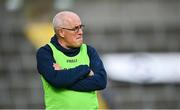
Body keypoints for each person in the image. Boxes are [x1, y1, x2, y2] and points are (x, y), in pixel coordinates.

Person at [36, 11, 107, 109]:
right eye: (75, 29)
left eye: (81, 27)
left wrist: (63, 77)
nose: (81, 32)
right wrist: (85, 69)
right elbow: (56, 80)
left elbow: (101, 82)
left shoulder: (89, 51)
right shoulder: (46, 52)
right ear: (61, 32)